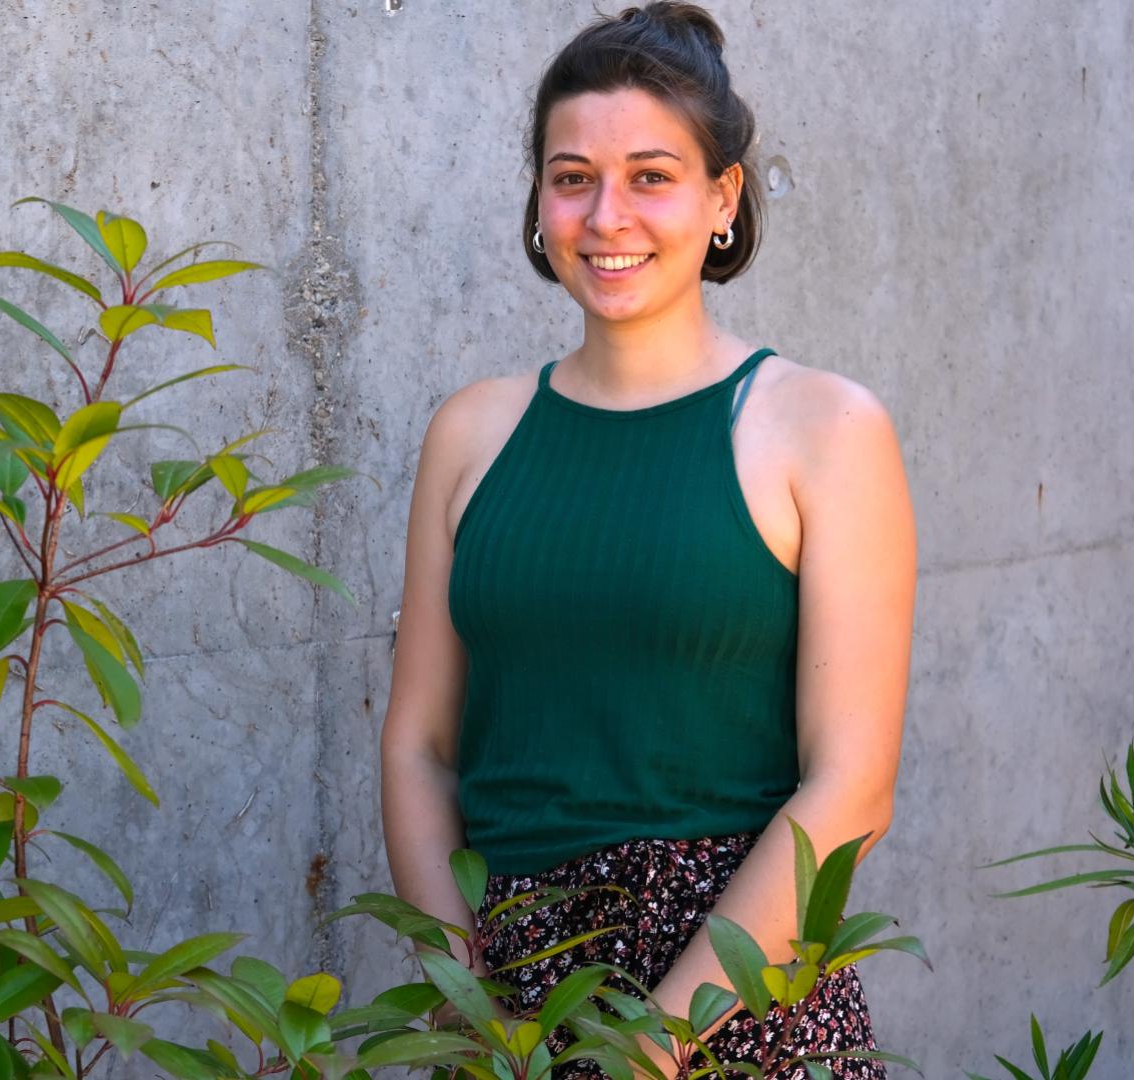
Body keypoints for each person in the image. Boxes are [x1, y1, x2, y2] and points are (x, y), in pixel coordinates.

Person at [378, 4, 917, 1078]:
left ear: (724, 197)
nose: (605, 214)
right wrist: (464, 1003)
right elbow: (418, 749)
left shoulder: (823, 428)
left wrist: (652, 1044)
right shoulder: (471, 434)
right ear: (539, 200)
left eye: (652, 176)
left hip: (736, 998)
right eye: (572, 175)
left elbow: (852, 786)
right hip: (511, 1006)